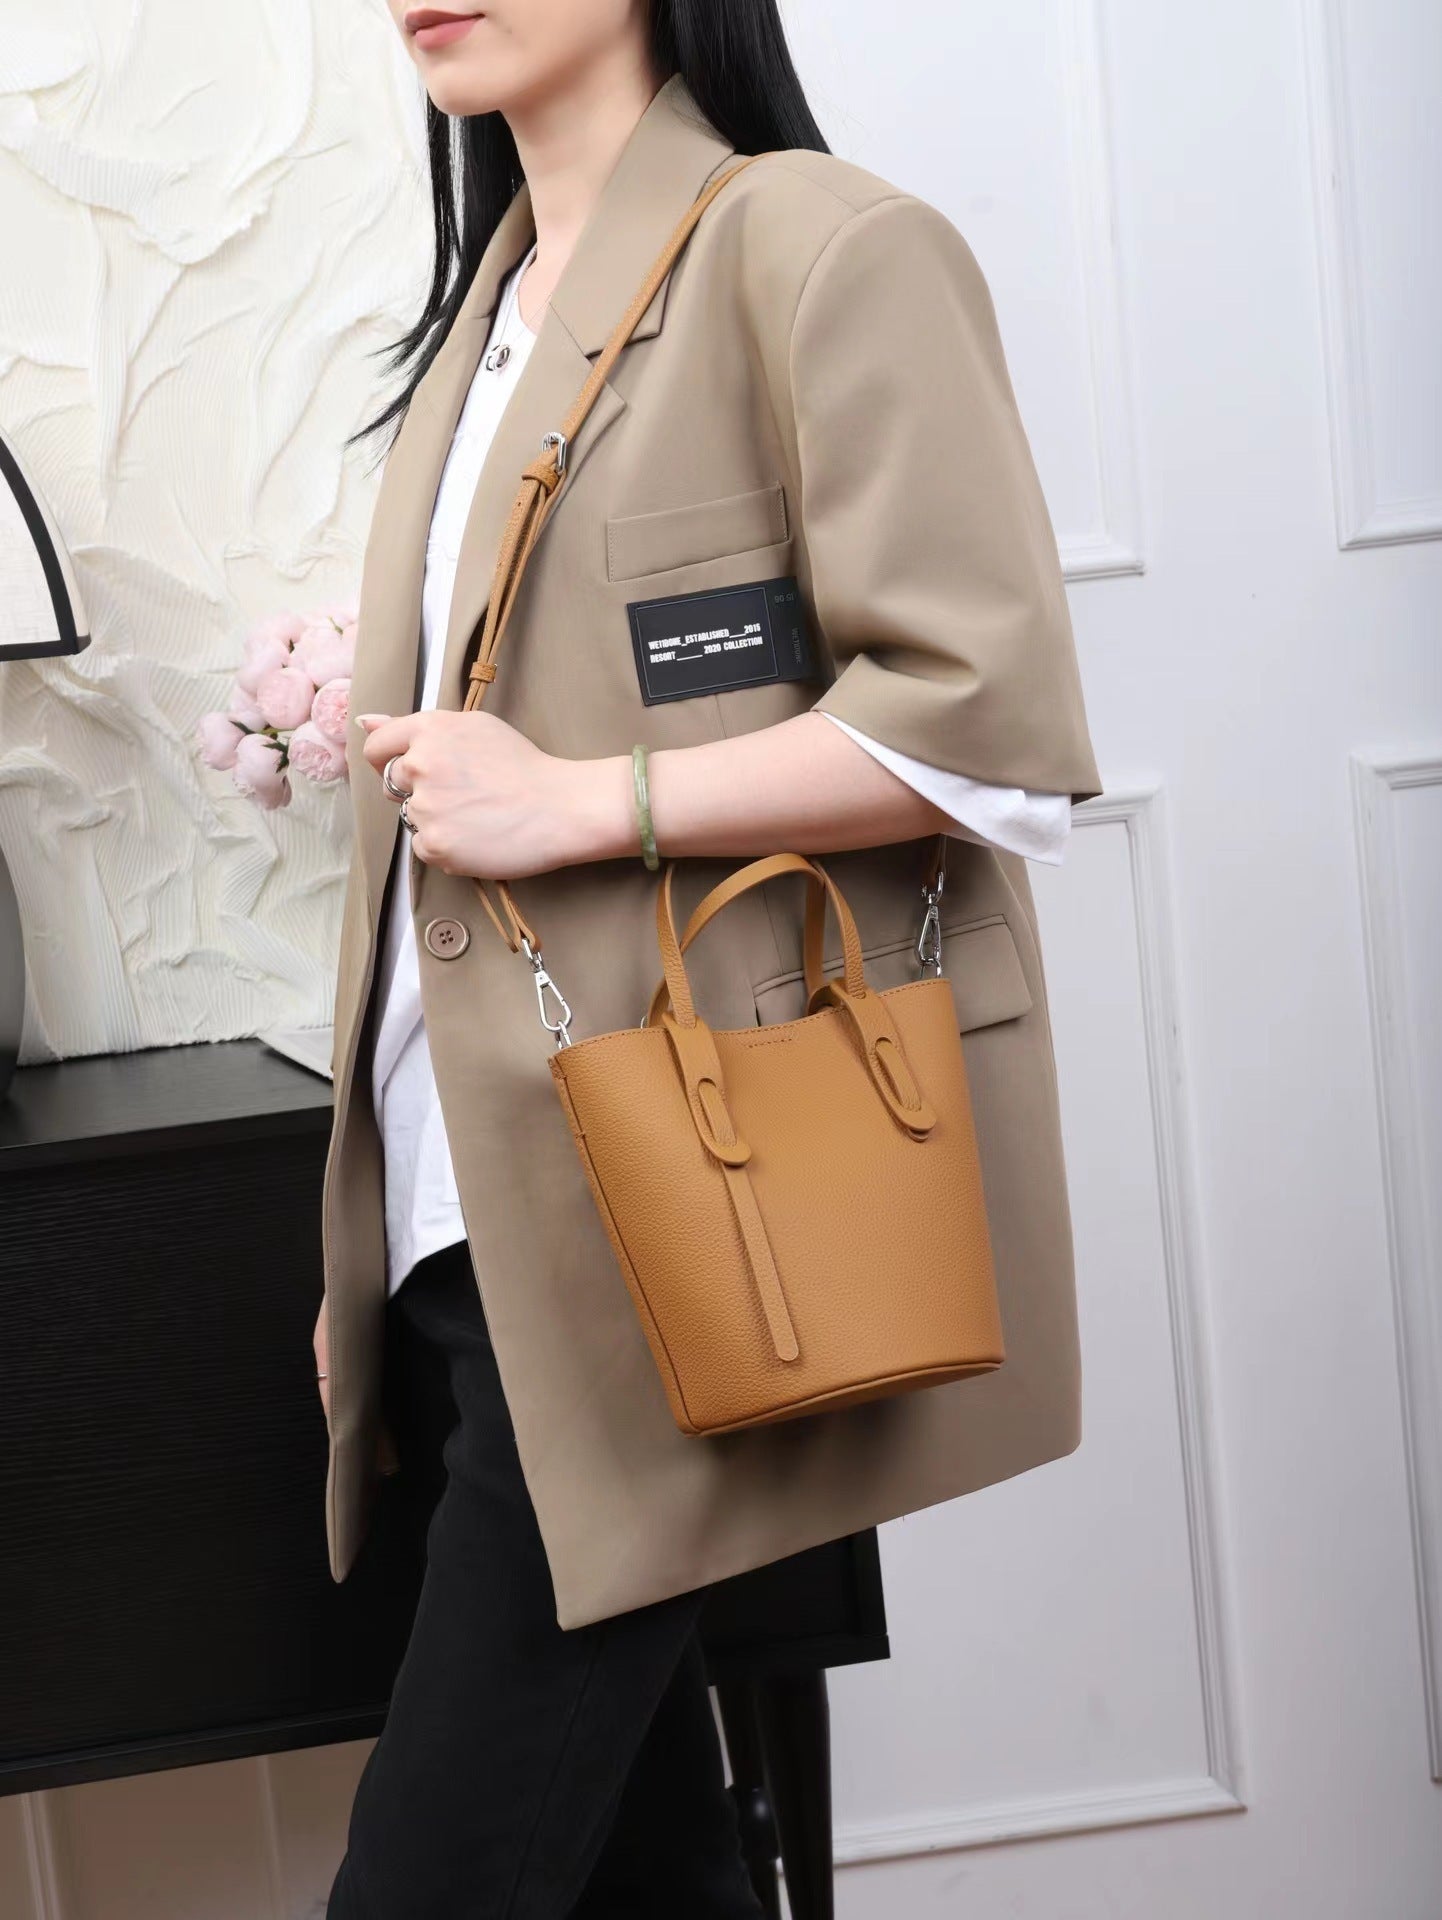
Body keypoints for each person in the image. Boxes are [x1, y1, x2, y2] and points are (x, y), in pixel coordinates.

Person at [317, 1, 1101, 1911]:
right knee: (637, 1877)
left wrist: (584, 799)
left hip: (659, 1219)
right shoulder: (481, 322)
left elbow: (988, 728)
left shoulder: (820, 245)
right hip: (458, 1225)